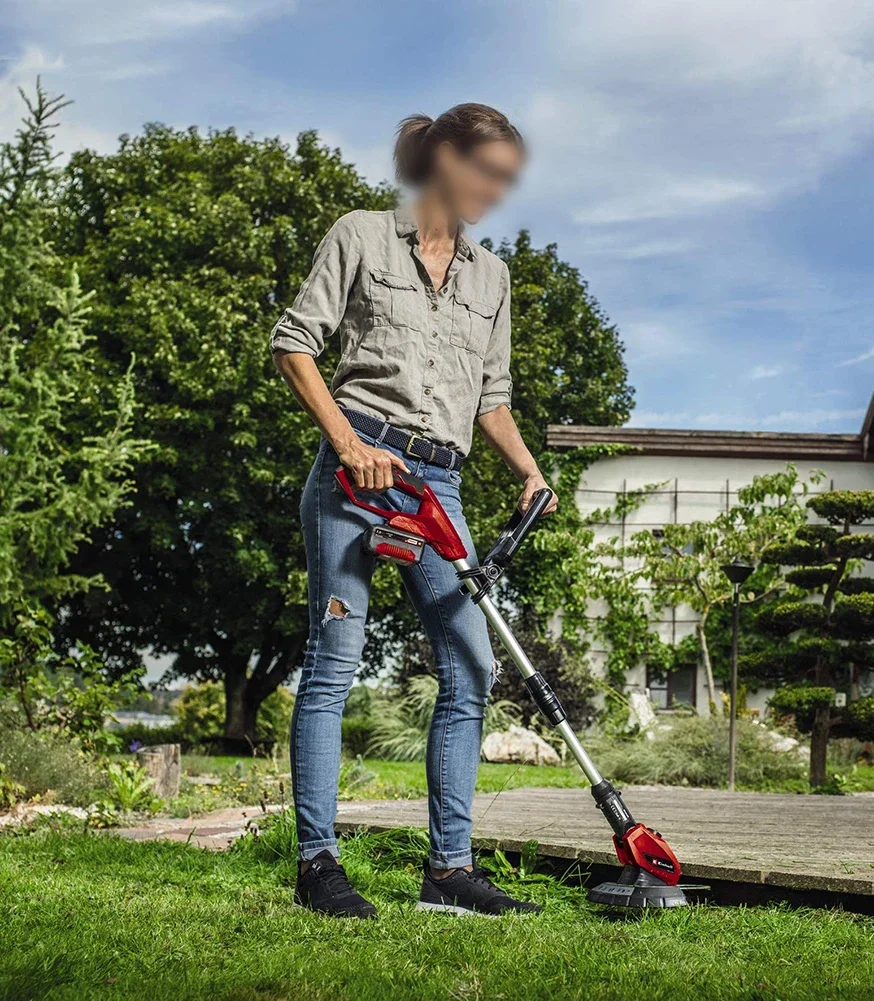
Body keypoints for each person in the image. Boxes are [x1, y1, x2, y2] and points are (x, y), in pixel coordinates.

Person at [271, 103, 557, 918]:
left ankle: (448, 870)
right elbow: (295, 342)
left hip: (441, 487)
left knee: (471, 663)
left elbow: (491, 397)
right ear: (442, 157)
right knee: (334, 660)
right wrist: (348, 443)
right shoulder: (360, 234)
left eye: (507, 179)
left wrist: (529, 470)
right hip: (357, 472)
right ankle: (317, 863)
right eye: (486, 172)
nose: (496, 192)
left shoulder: (490, 276)